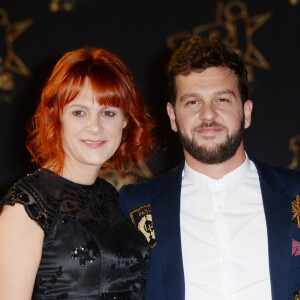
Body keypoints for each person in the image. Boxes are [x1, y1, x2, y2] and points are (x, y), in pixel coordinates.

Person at [119, 38, 300, 300]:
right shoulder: (134, 206)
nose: (208, 115)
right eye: (193, 102)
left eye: (222, 100)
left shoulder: (296, 194)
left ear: (246, 112)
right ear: (172, 117)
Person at [0, 47, 153, 299]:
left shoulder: (112, 197)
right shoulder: (27, 205)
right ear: (56, 117)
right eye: (79, 112)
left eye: (108, 113)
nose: (94, 127)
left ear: (125, 121)